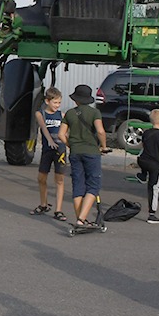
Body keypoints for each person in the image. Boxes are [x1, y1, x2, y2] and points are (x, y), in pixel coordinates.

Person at [58, 84, 110, 228]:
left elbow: (61, 134)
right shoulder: (94, 113)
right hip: (91, 152)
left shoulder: (69, 113)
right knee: (93, 186)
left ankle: (79, 219)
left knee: (78, 186)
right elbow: (100, 131)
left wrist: (70, 145)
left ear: (76, 100)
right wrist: (104, 146)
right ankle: (81, 219)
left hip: (75, 153)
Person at [30, 87, 67, 221]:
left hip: (60, 150)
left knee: (59, 180)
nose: (57, 105)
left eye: (59, 103)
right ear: (47, 101)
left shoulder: (62, 115)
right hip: (47, 149)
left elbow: (66, 131)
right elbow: (44, 128)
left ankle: (58, 210)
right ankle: (43, 204)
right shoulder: (41, 114)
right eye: (55, 102)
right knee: (41, 178)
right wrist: (50, 140)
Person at [135, 109, 159, 224]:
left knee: (145, 170)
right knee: (154, 188)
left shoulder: (146, 132)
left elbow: (143, 145)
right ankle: (152, 214)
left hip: (142, 160)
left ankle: (142, 175)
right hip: (155, 164)